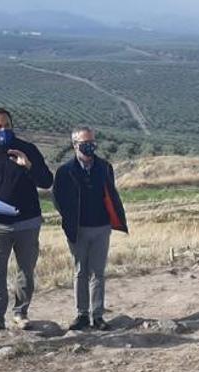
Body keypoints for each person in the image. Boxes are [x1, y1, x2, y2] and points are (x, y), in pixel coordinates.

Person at [0, 108, 54, 330]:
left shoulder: (28, 149)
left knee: (25, 270)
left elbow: (46, 181)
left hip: (28, 222)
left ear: (12, 125)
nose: (3, 129)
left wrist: (29, 166)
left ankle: (20, 312)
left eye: (7, 125)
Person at [53, 126, 129, 331]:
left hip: (101, 227)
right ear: (75, 145)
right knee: (80, 271)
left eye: (92, 142)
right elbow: (58, 200)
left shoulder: (104, 167)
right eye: (85, 143)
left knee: (98, 272)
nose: (90, 146)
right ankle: (81, 315)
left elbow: (110, 194)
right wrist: (70, 219)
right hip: (78, 229)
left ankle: (98, 315)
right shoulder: (64, 171)